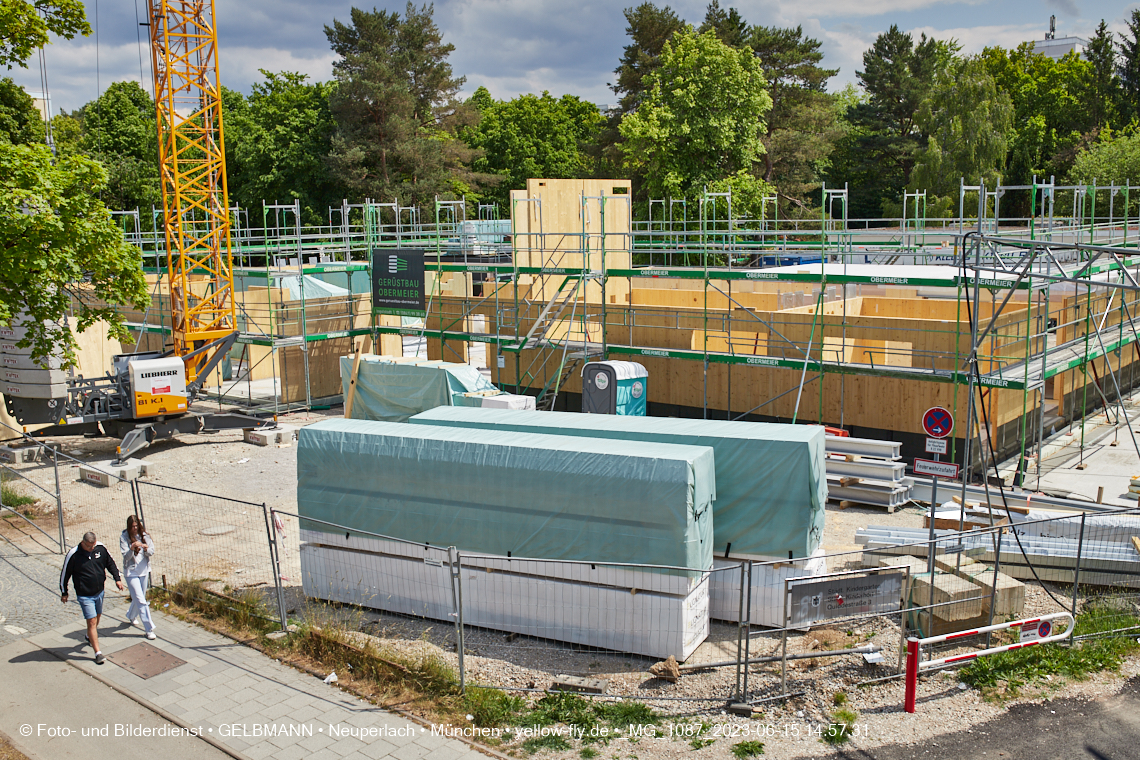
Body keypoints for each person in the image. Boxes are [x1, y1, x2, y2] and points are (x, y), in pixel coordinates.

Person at [60, 531, 124, 664]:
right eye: (89, 546)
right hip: (84, 594)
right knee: (92, 621)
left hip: (99, 591)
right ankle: (98, 653)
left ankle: (89, 636)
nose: (91, 549)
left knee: (97, 616)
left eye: (93, 546)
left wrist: (117, 579)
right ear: (83, 542)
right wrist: (64, 592)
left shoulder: (100, 548)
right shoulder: (74, 554)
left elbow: (110, 563)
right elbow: (65, 574)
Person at [120, 515, 157, 640]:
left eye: (136, 526)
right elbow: (126, 556)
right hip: (131, 573)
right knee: (141, 601)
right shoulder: (124, 537)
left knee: (140, 597)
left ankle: (131, 615)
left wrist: (146, 548)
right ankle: (149, 628)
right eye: (132, 527)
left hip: (143, 571)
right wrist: (131, 548)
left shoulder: (145, 535)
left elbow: (152, 551)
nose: (135, 528)